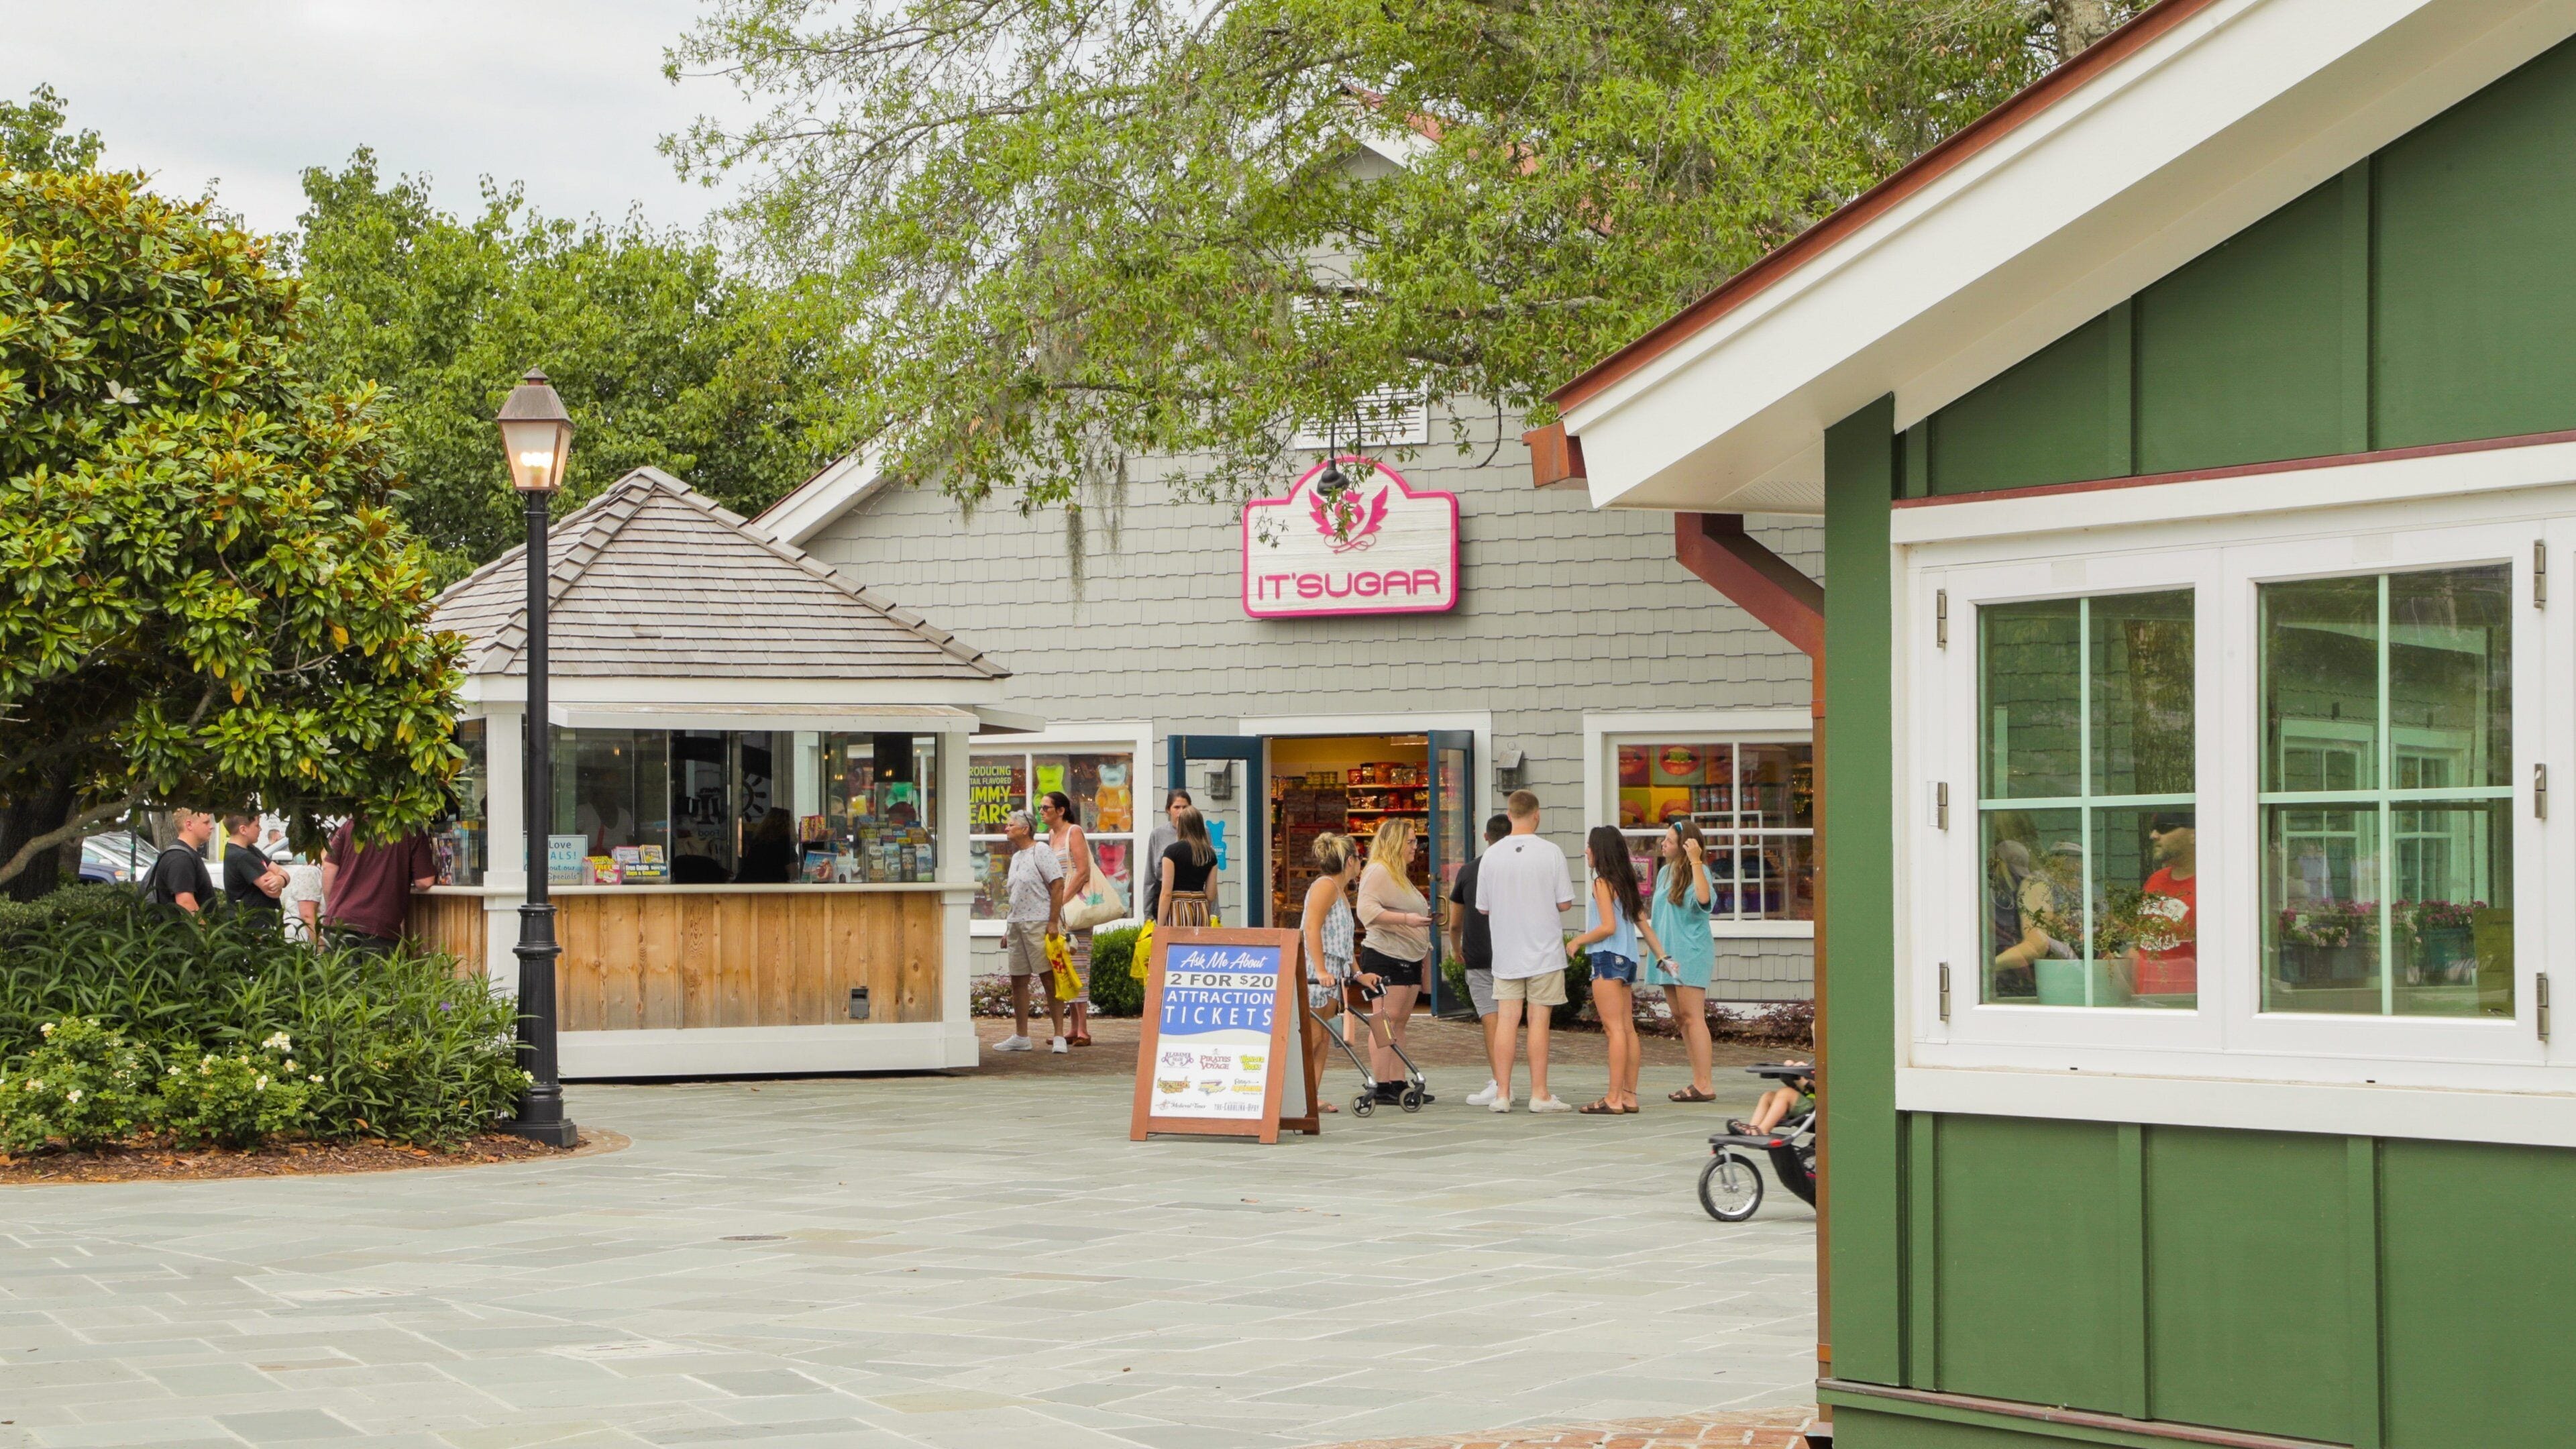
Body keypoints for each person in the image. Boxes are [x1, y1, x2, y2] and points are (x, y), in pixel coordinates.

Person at [1474, 790, 1576, 1113]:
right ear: (1537, 815)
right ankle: (1539, 1094)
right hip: (1544, 950)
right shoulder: (1551, 852)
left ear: (1509, 814)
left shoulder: (1491, 855)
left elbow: (1483, 908)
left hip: (1506, 950)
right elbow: (1564, 902)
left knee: (1506, 1020)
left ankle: (1502, 1093)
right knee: (1538, 1020)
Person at [1566, 825, 1671, 1115]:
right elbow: (1643, 925)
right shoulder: (1625, 882)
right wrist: (1663, 956)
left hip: (1606, 959)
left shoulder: (1601, 883)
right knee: (1627, 1029)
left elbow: (1608, 927)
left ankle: (1613, 1098)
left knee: (1614, 1031)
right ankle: (1629, 1096)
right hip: (1627, 960)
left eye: (1590, 846)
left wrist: (1578, 940)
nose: (1586, 850)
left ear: (1600, 851)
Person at [1355, 816, 1436, 1105]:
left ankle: (1398, 1081)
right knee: (1385, 1019)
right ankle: (1381, 1083)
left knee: (1399, 1021)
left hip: (1408, 955)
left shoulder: (1398, 874)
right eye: (1411, 841)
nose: (1416, 847)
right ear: (1395, 843)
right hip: (1386, 955)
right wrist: (1408, 920)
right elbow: (1366, 911)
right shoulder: (1378, 870)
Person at [1649, 820, 1721, 1102]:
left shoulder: (1699, 872)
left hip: (1690, 953)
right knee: (1681, 1018)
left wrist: (1696, 861)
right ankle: (1696, 1080)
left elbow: (1704, 900)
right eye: (1664, 839)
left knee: (1693, 1017)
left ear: (1685, 846)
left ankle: (1705, 1084)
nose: (1663, 844)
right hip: (1667, 954)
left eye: (1669, 840)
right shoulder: (1665, 873)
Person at [1297, 832, 1369, 1114]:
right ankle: (1298, 1096)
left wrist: (1357, 972)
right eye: (1359, 858)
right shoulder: (1325, 887)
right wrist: (1322, 969)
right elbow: (1311, 928)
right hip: (1318, 972)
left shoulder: (1340, 891)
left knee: (1324, 1036)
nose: (1361, 863)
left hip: (1333, 972)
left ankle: (1311, 1097)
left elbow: (1341, 940)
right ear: (1350, 860)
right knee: (1314, 1036)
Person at [1447, 813, 1511, 1107]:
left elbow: (1455, 922)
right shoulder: (1516, 869)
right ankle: (1536, 1085)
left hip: (1479, 953)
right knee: (1520, 1017)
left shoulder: (1469, 871)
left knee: (1490, 1018)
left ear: (1486, 837)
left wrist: (1455, 948)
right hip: (1513, 953)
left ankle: (1501, 1083)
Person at [994, 809, 1065, 1053]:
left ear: (1025, 829)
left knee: (1048, 977)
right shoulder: (1016, 858)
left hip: (1038, 922)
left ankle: (1059, 1036)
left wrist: (1053, 922)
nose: (1006, 828)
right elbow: (1015, 895)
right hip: (1016, 924)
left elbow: (1058, 884)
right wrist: (1007, 928)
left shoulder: (1041, 851)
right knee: (1018, 980)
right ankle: (1021, 1036)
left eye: (1011, 824)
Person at [319, 817, 437, 953]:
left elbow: (329, 867)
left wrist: (332, 906)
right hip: (378, 926)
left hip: (339, 921)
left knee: (338, 974)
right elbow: (425, 882)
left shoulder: (350, 826)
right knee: (376, 975)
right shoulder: (411, 831)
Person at [1040, 790, 1098, 1046]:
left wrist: (1061, 901)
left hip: (1075, 909)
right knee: (1065, 964)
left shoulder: (1074, 832)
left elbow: (1083, 871)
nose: (1042, 812)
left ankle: (1083, 1029)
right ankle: (1073, 1028)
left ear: (1061, 810)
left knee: (1080, 963)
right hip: (1058, 910)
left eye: (1046, 808)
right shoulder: (1051, 836)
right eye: (1041, 808)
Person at [2132, 812, 2197, 997]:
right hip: (2146, 998)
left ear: (2194, 835)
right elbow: (2139, 943)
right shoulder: (2156, 881)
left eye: (2165, 828)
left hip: (2189, 1003)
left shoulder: (2212, 886)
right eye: (2153, 829)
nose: (2154, 835)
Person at [140, 809, 217, 914]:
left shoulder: (185, 854)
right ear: (189, 825)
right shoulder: (180, 858)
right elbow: (186, 904)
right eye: (206, 822)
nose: (211, 826)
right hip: (185, 929)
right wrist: (205, 929)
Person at [1157, 805, 1218, 928]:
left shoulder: (1171, 852)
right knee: (1199, 948)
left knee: (1179, 946)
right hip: (1201, 908)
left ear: (1181, 825)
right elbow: (1211, 894)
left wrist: (1160, 925)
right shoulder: (1210, 855)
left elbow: (1166, 894)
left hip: (1178, 909)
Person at [1140, 788, 1192, 923]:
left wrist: (1215, 913)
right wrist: (1148, 915)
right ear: (1168, 810)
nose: (1181, 812)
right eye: (1177, 807)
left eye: (1185, 807)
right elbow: (1150, 876)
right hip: (1164, 897)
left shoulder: (1202, 833)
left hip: (1193, 899)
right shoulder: (1158, 834)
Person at [219, 813, 285, 918]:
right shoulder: (243, 856)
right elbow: (275, 892)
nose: (260, 829)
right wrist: (279, 879)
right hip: (255, 924)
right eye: (257, 825)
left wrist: (281, 879)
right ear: (243, 830)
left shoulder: (250, 849)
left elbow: (281, 872)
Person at [1732, 1059, 1816, 1137]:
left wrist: (1806, 1078)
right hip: (1809, 1102)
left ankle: (1763, 1130)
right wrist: (1792, 1072)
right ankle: (1752, 1128)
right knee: (1768, 1096)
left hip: (1820, 1112)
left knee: (1785, 1093)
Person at [738, 807, 798, 883]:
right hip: (771, 887)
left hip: (746, 885)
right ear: (789, 824)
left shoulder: (758, 841)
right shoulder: (785, 842)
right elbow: (794, 874)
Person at [278, 855, 325, 944]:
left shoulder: (327, 871)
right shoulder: (310, 872)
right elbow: (307, 916)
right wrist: (321, 950)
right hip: (304, 943)